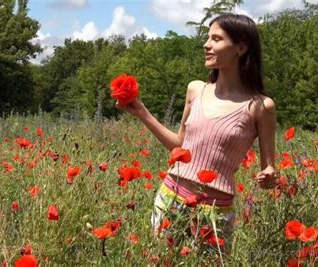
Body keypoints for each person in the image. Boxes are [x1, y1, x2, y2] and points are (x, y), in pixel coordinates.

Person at [116, 14, 277, 257]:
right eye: (207, 37)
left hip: (215, 212)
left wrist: (269, 176)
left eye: (216, 39)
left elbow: (270, 171)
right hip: (170, 198)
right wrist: (143, 114)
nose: (206, 44)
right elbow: (179, 147)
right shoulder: (195, 90)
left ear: (241, 47)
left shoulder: (261, 107)